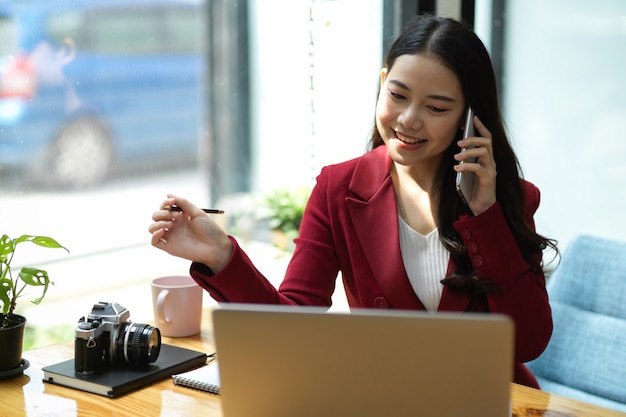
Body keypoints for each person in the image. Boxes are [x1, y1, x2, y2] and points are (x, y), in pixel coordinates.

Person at [149, 14, 559, 388]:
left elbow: (528, 342)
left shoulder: (508, 198)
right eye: (398, 95)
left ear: (469, 117)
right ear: (383, 82)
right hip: (388, 398)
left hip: (487, 400)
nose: (409, 119)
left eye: (436, 107)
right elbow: (294, 326)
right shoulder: (338, 189)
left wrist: (485, 216)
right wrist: (222, 256)